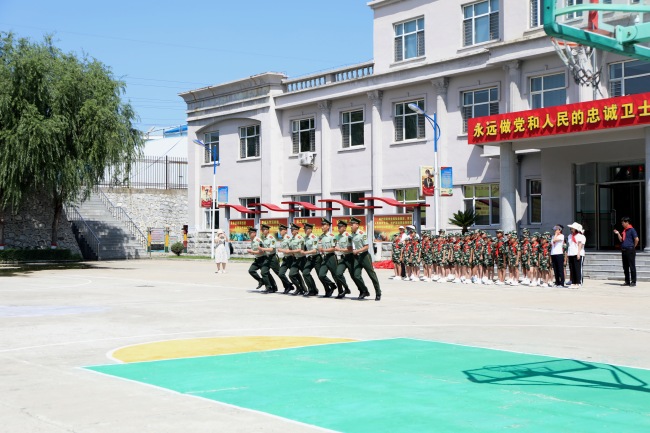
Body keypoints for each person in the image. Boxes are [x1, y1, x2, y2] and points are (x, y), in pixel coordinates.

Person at [350, 216, 382, 301]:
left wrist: (357, 251)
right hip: (357, 257)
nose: (351, 226)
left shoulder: (362, 234)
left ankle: (378, 292)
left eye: (352, 224)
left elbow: (367, 247)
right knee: (356, 275)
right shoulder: (352, 235)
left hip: (364, 256)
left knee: (371, 275)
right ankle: (364, 291)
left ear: (357, 225)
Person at [614, 217, 639, 287]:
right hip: (624, 250)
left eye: (623, 222)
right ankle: (627, 281)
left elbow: (636, 239)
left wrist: (633, 246)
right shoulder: (624, 231)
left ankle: (633, 281)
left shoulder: (632, 230)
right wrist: (618, 233)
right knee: (625, 267)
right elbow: (621, 240)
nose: (622, 224)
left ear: (627, 222)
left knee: (632, 266)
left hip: (630, 250)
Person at [317, 218, 339, 297]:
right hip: (325, 257)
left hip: (331, 257)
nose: (322, 227)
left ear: (328, 226)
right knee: (321, 275)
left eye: (324, 225)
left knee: (335, 275)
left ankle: (341, 291)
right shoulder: (321, 236)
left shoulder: (332, 236)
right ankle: (332, 285)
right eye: (322, 225)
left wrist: (324, 249)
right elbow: (319, 246)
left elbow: (334, 248)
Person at [246, 227, 274, 292]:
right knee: (251, 270)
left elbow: (262, 251)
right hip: (257, 259)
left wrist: (252, 252)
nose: (249, 234)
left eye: (250, 233)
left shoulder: (258, 240)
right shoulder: (252, 240)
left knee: (265, 273)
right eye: (249, 233)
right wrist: (252, 252)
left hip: (262, 259)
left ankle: (270, 287)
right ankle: (261, 281)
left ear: (255, 233)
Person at [334, 219, 353, 299]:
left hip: (350, 257)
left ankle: (363, 291)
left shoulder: (348, 236)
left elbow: (350, 249)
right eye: (338, 226)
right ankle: (346, 288)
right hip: (342, 258)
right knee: (338, 274)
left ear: (345, 228)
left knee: (354, 276)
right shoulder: (337, 236)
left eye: (340, 227)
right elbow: (334, 244)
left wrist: (339, 249)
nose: (339, 228)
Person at [258, 224, 279, 293]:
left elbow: (271, 249)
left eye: (264, 230)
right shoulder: (263, 238)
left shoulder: (271, 238)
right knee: (263, 272)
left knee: (279, 273)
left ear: (267, 230)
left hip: (273, 257)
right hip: (267, 258)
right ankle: (269, 287)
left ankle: (288, 285)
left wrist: (262, 249)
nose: (263, 231)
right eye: (262, 230)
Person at [276, 224, 295, 294]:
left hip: (290, 258)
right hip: (285, 258)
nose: (280, 232)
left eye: (281, 230)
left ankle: (301, 288)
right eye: (280, 230)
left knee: (295, 275)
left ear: (285, 231)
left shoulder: (288, 238)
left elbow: (291, 249)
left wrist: (282, 250)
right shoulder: (283, 239)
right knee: (281, 273)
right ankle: (288, 285)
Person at [566, 222, 586, 289]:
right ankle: (573, 282)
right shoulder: (569, 236)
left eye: (572, 228)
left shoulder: (581, 236)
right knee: (572, 269)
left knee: (577, 269)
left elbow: (580, 245)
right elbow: (569, 245)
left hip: (578, 254)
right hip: (571, 253)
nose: (571, 229)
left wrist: (578, 253)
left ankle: (578, 282)